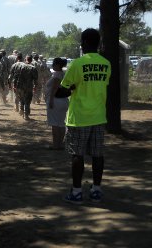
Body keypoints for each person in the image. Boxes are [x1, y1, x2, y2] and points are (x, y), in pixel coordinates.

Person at [61, 28, 111, 204]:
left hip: (79, 117)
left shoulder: (77, 64)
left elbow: (62, 91)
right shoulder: (106, 64)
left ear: (84, 43)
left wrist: (72, 88)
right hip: (98, 116)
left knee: (77, 155)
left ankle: (76, 192)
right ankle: (96, 190)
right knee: (98, 155)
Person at [45, 57, 68, 150]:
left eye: (53, 64)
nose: (52, 66)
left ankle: (55, 144)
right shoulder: (63, 74)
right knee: (61, 123)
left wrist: (50, 100)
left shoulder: (57, 75)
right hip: (63, 101)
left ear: (57, 65)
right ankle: (60, 143)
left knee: (54, 124)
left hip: (55, 101)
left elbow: (54, 89)